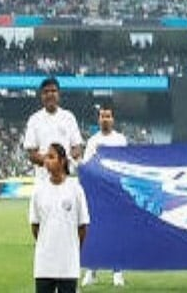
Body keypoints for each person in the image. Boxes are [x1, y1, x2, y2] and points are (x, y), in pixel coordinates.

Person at [29, 142, 90, 293]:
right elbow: (35, 226)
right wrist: (47, 244)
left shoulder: (75, 189)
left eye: (51, 157)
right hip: (44, 265)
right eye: (46, 157)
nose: (46, 161)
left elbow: (82, 226)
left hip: (68, 265)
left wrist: (72, 248)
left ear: (62, 161)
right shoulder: (39, 190)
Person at [81, 106, 128, 287]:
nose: (105, 119)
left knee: (116, 232)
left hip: (116, 192)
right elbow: (87, 166)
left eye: (108, 116)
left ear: (113, 119)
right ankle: (92, 271)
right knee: (95, 231)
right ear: (98, 119)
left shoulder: (120, 140)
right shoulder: (93, 141)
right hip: (98, 193)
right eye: (102, 116)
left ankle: (117, 272)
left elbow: (126, 164)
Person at [24, 77, 83, 181]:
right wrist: (50, 162)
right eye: (46, 92)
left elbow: (77, 148)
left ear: (59, 94)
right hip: (43, 180)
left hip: (66, 179)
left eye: (53, 91)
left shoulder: (69, 117)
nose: (50, 94)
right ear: (41, 96)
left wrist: (63, 161)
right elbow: (31, 154)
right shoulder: (34, 119)